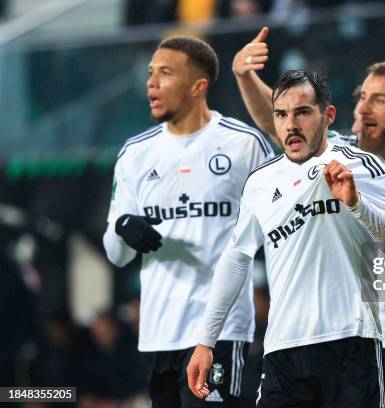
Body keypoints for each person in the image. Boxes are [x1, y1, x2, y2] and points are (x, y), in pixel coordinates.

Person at [232, 28, 385, 408]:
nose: (363, 109)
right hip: (352, 338)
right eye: (361, 98)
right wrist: (244, 75)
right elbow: (278, 124)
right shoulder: (340, 156)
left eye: (378, 100)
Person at [186, 70, 385, 407]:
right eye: (281, 115)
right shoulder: (261, 182)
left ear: (327, 116)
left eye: (302, 112)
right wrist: (206, 341)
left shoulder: (361, 166)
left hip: (351, 346)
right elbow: (237, 257)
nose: (290, 125)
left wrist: (357, 205)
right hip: (284, 353)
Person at [103, 36, 274, 407]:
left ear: (198, 87)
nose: (151, 82)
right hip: (157, 335)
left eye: (165, 73)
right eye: (150, 73)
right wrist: (122, 228)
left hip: (221, 334)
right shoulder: (135, 154)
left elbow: (278, 230)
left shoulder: (244, 145)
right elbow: (116, 255)